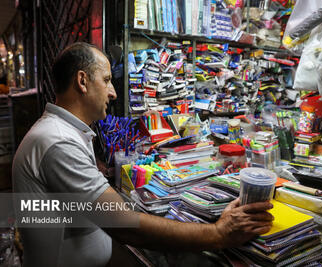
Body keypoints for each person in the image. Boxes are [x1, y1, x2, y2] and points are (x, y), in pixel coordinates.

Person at [12, 42, 274, 267]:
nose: (113, 92)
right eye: (106, 80)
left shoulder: (64, 133)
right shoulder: (58, 142)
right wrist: (218, 233)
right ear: (82, 81)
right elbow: (122, 224)